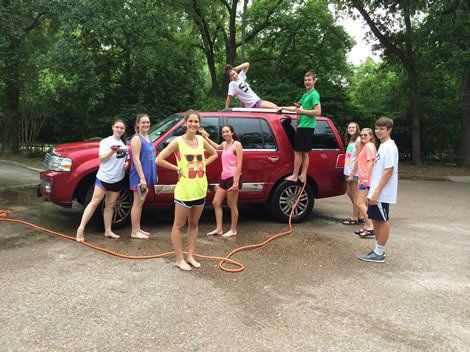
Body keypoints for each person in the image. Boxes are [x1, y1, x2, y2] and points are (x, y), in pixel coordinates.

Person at [156, 110, 218, 271]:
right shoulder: (178, 141)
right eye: (190, 121)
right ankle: (179, 259)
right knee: (178, 226)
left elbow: (215, 154)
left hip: (200, 189)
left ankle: (190, 256)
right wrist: (177, 168)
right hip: (184, 191)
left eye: (196, 121)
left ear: (199, 124)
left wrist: (203, 164)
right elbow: (159, 159)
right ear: (185, 123)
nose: (193, 124)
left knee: (194, 223)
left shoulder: (200, 139)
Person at [76, 119, 129, 242]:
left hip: (118, 179)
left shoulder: (124, 144)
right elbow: (101, 160)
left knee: (110, 206)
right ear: (112, 127)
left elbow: (126, 159)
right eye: (117, 127)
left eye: (122, 128)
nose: (119, 129)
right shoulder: (105, 142)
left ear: (124, 130)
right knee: (94, 203)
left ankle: (108, 230)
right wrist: (112, 151)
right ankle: (80, 229)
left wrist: (126, 163)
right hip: (104, 178)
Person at [358, 117, 398, 263]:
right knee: (376, 219)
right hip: (375, 192)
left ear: (389, 130)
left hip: (381, 193)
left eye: (382, 129)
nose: (378, 131)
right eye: (377, 128)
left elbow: (388, 171)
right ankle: (376, 250)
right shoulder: (383, 146)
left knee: (382, 220)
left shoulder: (389, 147)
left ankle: (379, 253)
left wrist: (376, 193)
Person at [200, 125, 243, 237]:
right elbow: (216, 147)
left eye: (227, 132)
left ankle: (233, 230)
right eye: (223, 132)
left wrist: (236, 182)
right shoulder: (224, 144)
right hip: (224, 178)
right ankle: (219, 229)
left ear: (232, 132)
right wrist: (206, 138)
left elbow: (239, 164)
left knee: (232, 205)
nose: (225, 134)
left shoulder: (236, 144)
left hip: (233, 178)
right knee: (216, 203)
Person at [278, 71, 321, 183]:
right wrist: (282, 108)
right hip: (303, 125)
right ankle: (302, 175)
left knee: (297, 152)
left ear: (314, 81)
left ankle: (295, 175)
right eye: (305, 80)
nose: (307, 82)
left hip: (307, 126)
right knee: (304, 152)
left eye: (309, 80)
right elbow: (296, 108)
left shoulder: (314, 94)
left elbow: (318, 111)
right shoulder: (305, 95)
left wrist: (302, 111)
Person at [129, 113, 157, 239]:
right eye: (143, 122)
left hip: (146, 176)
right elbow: (136, 159)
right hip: (139, 178)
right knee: (138, 203)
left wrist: (154, 174)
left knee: (141, 202)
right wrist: (142, 178)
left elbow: (151, 158)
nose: (146, 124)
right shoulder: (137, 139)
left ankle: (138, 229)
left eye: (147, 122)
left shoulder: (148, 137)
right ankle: (134, 232)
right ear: (138, 124)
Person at [349, 128, 377, 237]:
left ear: (370, 136)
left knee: (359, 202)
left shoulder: (369, 146)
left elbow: (371, 161)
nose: (363, 137)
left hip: (366, 180)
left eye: (366, 135)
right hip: (363, 179)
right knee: (363, 203)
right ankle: (367, 225)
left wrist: (365, 177)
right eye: (361, 135)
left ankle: (371, 226)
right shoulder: (365, 147)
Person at [342, 122, 363, 225]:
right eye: (349, 127)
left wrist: (352, 173)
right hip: (348, 170)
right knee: (349, 193)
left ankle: (355, 218)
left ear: (357, 128)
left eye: (353, 127)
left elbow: (359, 159)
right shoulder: (351, 140)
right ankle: (360, 215)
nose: (351, 129)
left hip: (354, 173)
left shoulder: (358, 141)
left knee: (355, 196)